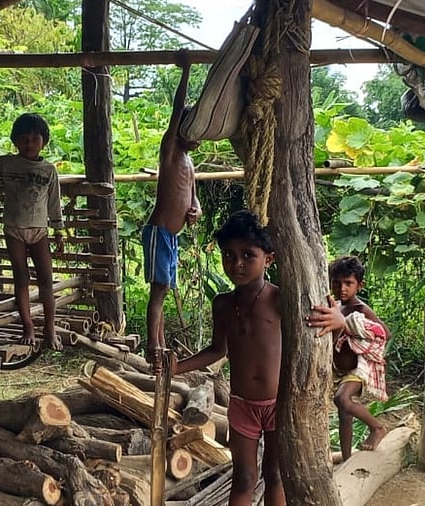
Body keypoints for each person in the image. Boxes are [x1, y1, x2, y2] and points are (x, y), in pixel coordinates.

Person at [171, 210, 284, 506]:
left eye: (248, 255)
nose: (237, 263)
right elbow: (217, 350)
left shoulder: (279, 299)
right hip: (242, 405)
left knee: (275, 474)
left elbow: (316, 317)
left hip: (279, 404)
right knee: (244, 477)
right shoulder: (222, 304)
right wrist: (176, 368)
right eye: (229, 255)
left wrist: (337, 319)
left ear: (268, 259)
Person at [0, 113, 65, 350]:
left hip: (40, 231)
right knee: (21, 278)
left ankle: (50, 327)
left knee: (46, 280)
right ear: (15, 141)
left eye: (35, 139)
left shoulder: (49, 170)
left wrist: (59, 231)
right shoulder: (7, 164)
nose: (29, 143)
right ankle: (28, 326)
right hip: (14, 229)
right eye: (24, 139)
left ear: (44, 141)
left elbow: (54, 202)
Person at [143, 53, 201, 373]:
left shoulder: (189, 162)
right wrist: (186, 71)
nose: (199, 138)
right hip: (159, 232)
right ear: (181, 130)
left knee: (164, 290)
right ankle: (153, 347)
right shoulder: (170, 149)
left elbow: (194, 197)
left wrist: (196, 210)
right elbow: (177, 109)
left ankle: (161, 343)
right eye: (194, 131)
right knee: (159, 290)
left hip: (172, 236)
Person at [328, 256, 388, 460]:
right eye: (337, 282)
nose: (342, 288)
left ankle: (377, 427)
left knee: (341, 399)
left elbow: (384, 333)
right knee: (344, 412)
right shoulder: (336, 306)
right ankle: (346, 458)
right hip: (340, 369)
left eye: (348, 283)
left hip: (358, 368)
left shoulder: (361, 310)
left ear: (359, 285)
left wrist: (351, 328)